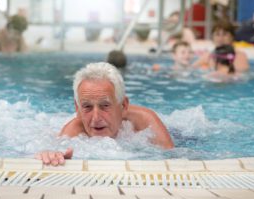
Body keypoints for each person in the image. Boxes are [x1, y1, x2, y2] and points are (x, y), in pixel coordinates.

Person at [35, 62, 174, 166]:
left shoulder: (144, 121)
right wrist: (52, 155)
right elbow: (55, 153)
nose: (96, 118)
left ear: (123, 105)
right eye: (87, 107)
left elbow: (172, 158)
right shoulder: (73, 132)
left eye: (105, 106)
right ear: (77, 108)